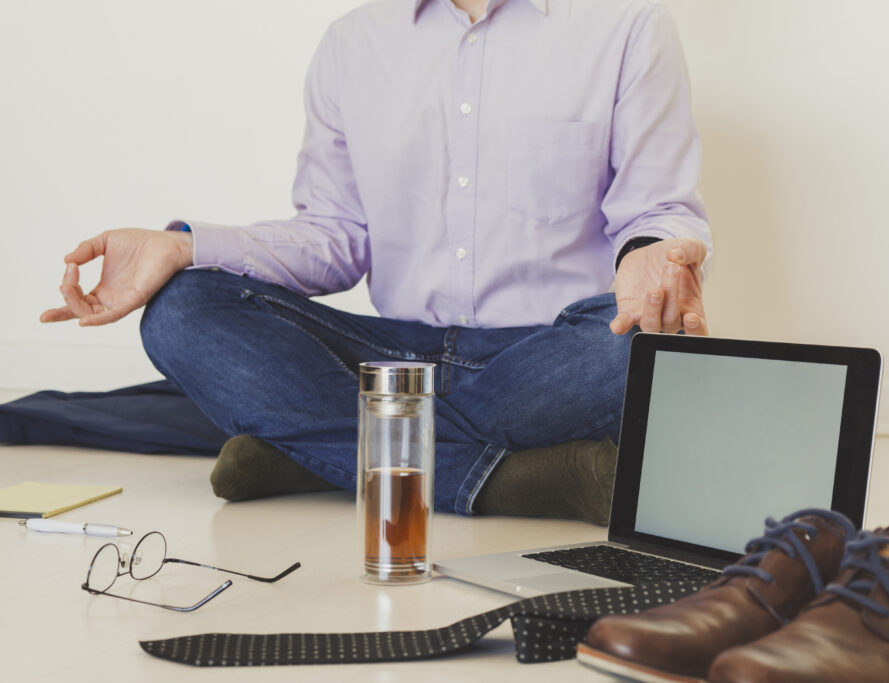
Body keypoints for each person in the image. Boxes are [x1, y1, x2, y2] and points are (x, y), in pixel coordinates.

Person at [39, 0, 711, 525]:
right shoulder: (351, 43)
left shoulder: (630, 28)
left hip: (548, 355)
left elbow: (656, 214)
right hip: (387, 359)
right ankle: (513, 478)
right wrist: (184, 247)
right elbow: (335, 237)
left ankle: (318, 456)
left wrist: (650, 259)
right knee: (181, 310)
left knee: (645, 349)